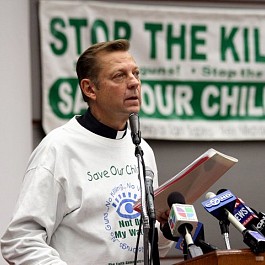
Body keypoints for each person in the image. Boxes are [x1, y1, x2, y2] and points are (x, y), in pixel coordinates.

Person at [1, 39, 173, 264]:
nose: (134, 83)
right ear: (89, 88)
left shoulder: (141, 149)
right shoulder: (58, 148)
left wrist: (167, 230)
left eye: (136, 74)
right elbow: (20, 240)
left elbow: (146, 245)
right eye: (119, 76)